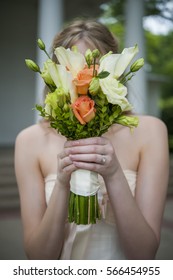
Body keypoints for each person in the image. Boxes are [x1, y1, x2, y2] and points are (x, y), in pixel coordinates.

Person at [15, 19, 169, 260]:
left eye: (92, 70)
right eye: (72, 72)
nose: (82, 82)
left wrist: (114, 173)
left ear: (114, 73)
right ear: (55, 76)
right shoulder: (30, 141)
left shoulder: (150, 131)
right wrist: (63, 183)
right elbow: (38, 259)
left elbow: (144, 255)